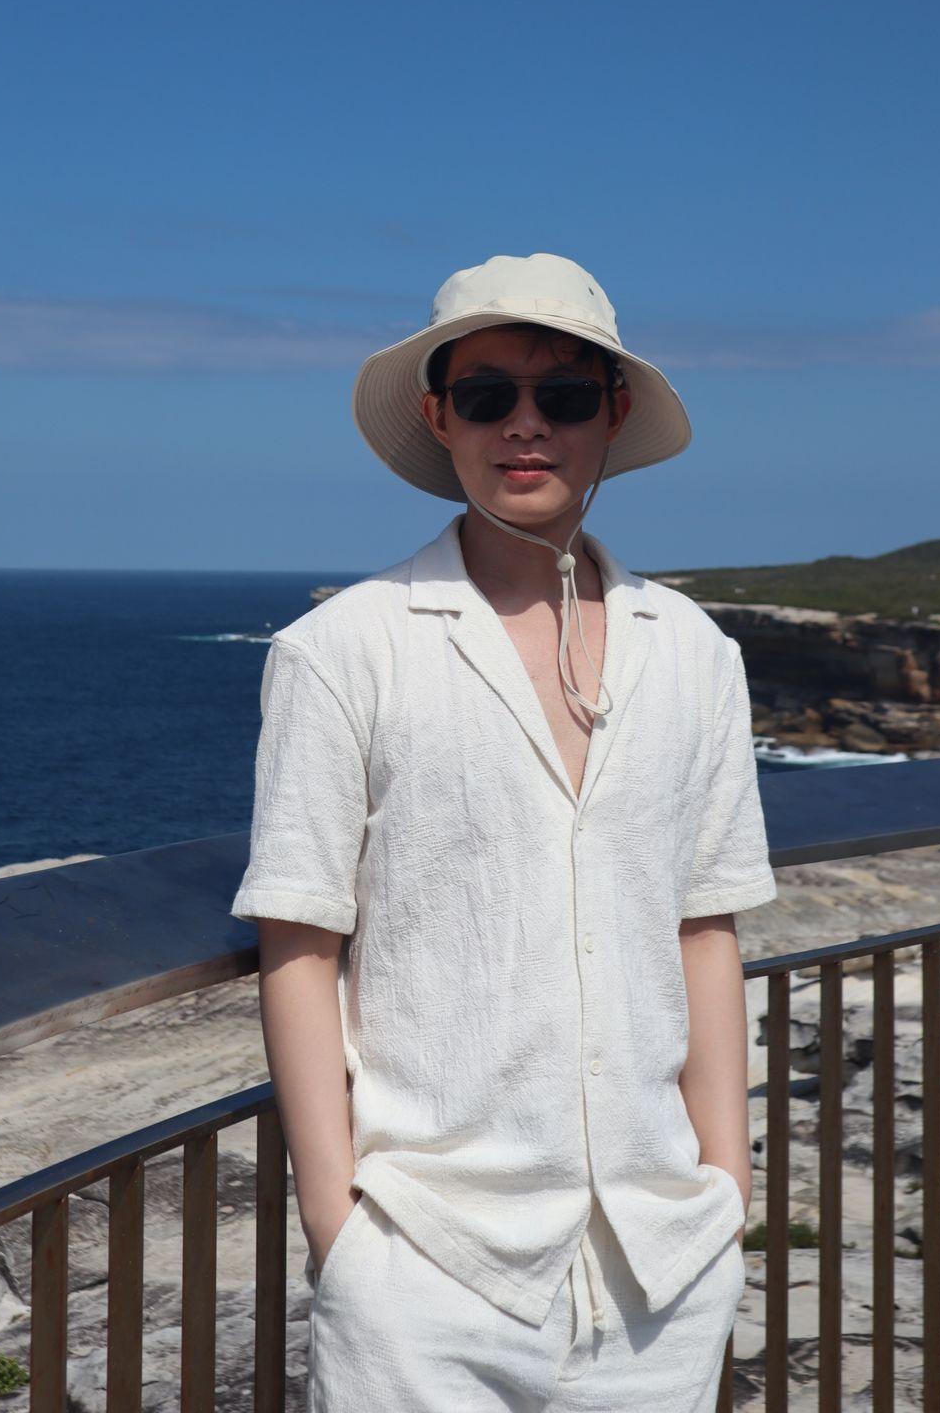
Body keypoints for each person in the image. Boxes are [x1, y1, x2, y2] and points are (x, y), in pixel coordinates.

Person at [232, 251, 777, 1410]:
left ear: (610, 414)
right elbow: (299, 941)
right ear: (438, 418)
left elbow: (704, 925)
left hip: (659, 1270)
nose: (524, 425)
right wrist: (344, 1238)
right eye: (486, 395)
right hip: (425, 1271)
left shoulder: (692, 652)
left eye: (562, 395)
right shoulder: (343, 651)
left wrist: (726, 1188)